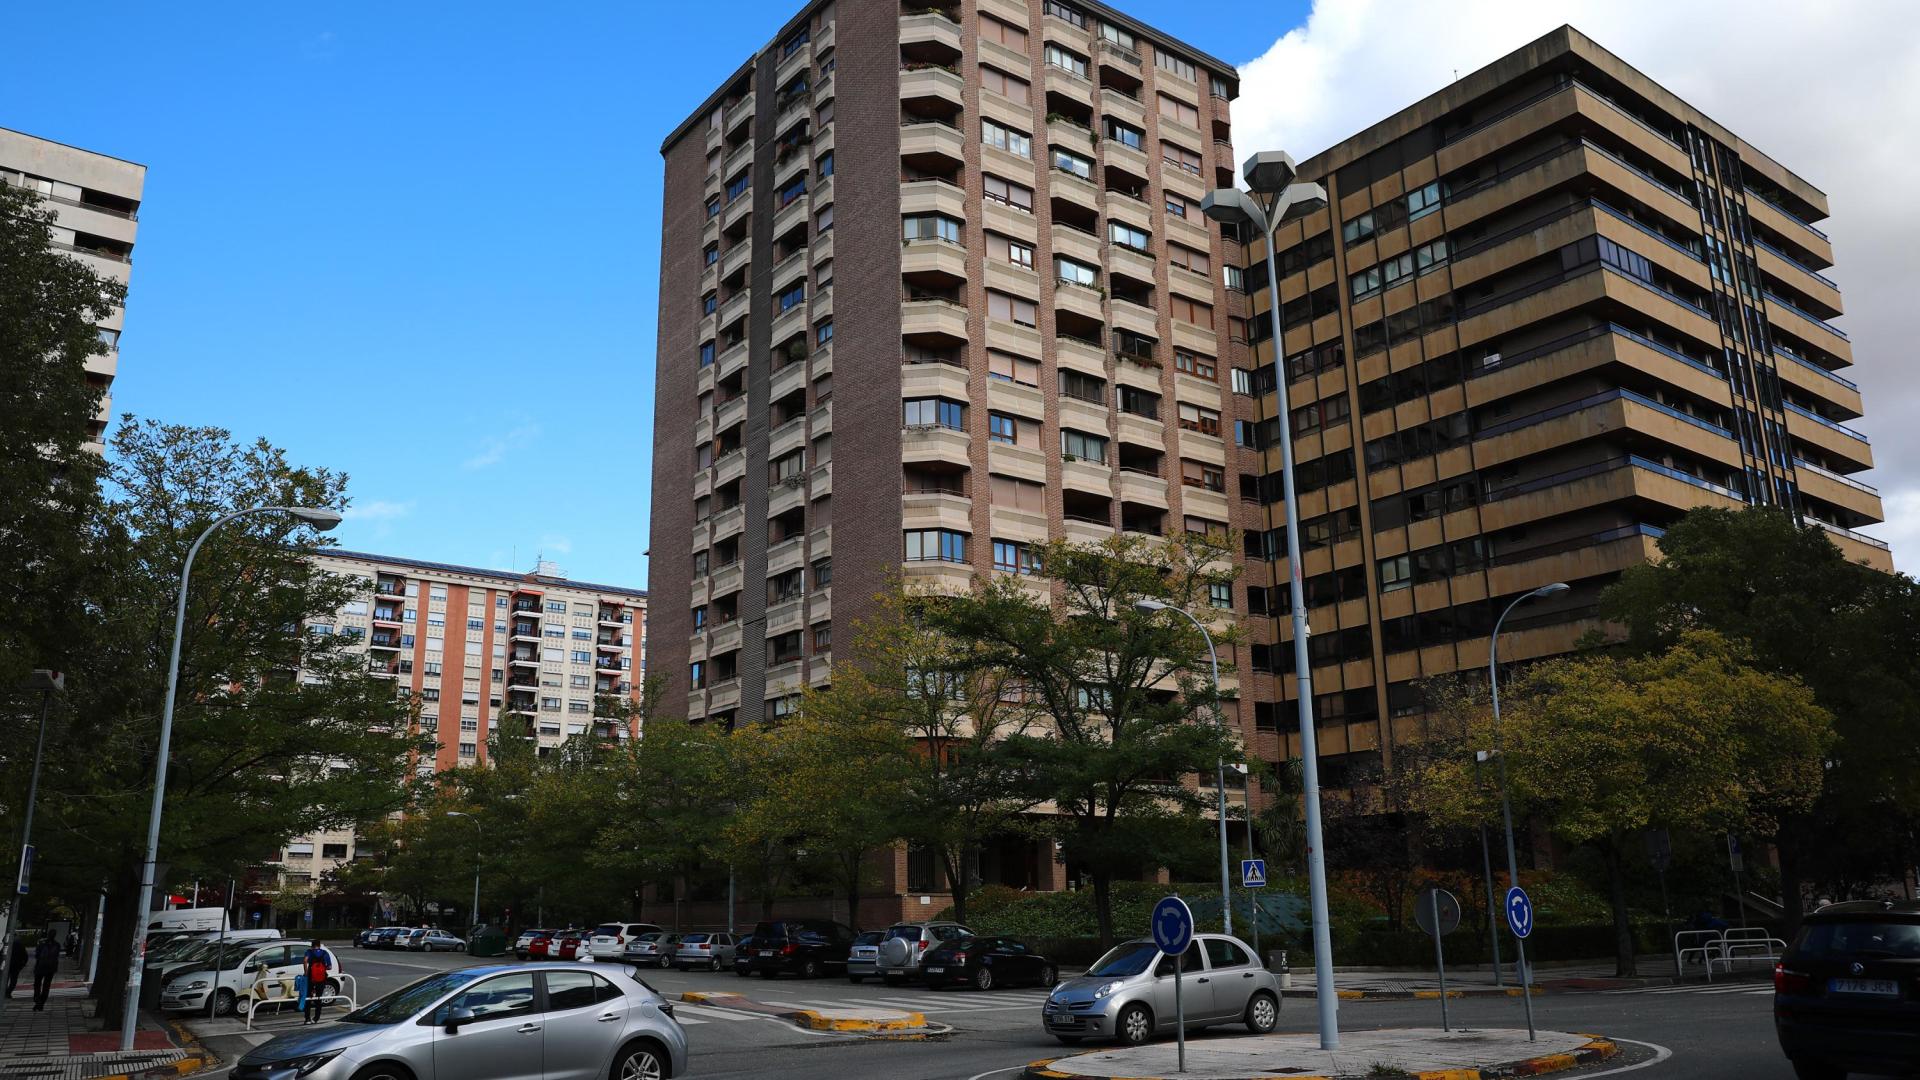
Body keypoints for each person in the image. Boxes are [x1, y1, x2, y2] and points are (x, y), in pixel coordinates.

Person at [302, 939, 332, 1025]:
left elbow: (305, 961)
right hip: (321, 979)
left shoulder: (309, 952)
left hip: (311, 978)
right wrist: (322, 969)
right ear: (319, 945)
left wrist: (306, 971)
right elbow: (329, 967)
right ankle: (316, 1018)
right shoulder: (324, 953)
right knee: (319, 998)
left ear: (312, 945)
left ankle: (307, 1019)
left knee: (308, 998)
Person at [31, 934, 60, 1011]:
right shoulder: (57, 945)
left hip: (40, 967)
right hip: (51, 968)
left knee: (37, 984)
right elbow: (57, 956)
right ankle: (42, 1002)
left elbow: (37, 956)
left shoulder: (41, 944)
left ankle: (37, 1000)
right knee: (46, 985)